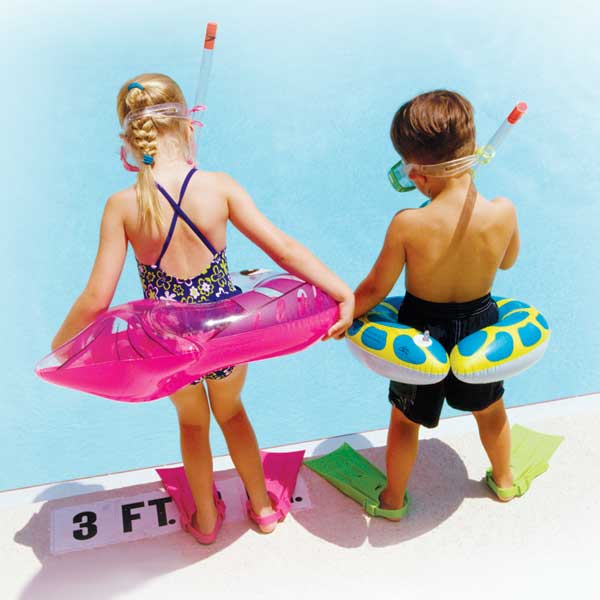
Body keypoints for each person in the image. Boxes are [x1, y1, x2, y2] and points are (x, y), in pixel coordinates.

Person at [52, 73, 354, 542]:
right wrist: (341, 291)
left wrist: (63, 346)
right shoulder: (218, 186)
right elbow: (284, 250)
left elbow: (97, 297)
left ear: (130, 139)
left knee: (193, 423)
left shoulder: (123, 205)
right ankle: (262, 507)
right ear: (188, 125)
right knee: (232, 413)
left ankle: (207, 522)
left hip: (169, 344)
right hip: (225, 335)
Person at [353, 90, 520, 517]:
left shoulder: (409, 223)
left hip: (420, 334)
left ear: (417, 174)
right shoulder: (502, 212)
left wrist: (340, 316)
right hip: (480, 327)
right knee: (490, 411)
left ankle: (392, 500)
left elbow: (373, 289)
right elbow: (509, 261)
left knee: (405, 423)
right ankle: (504, 480)